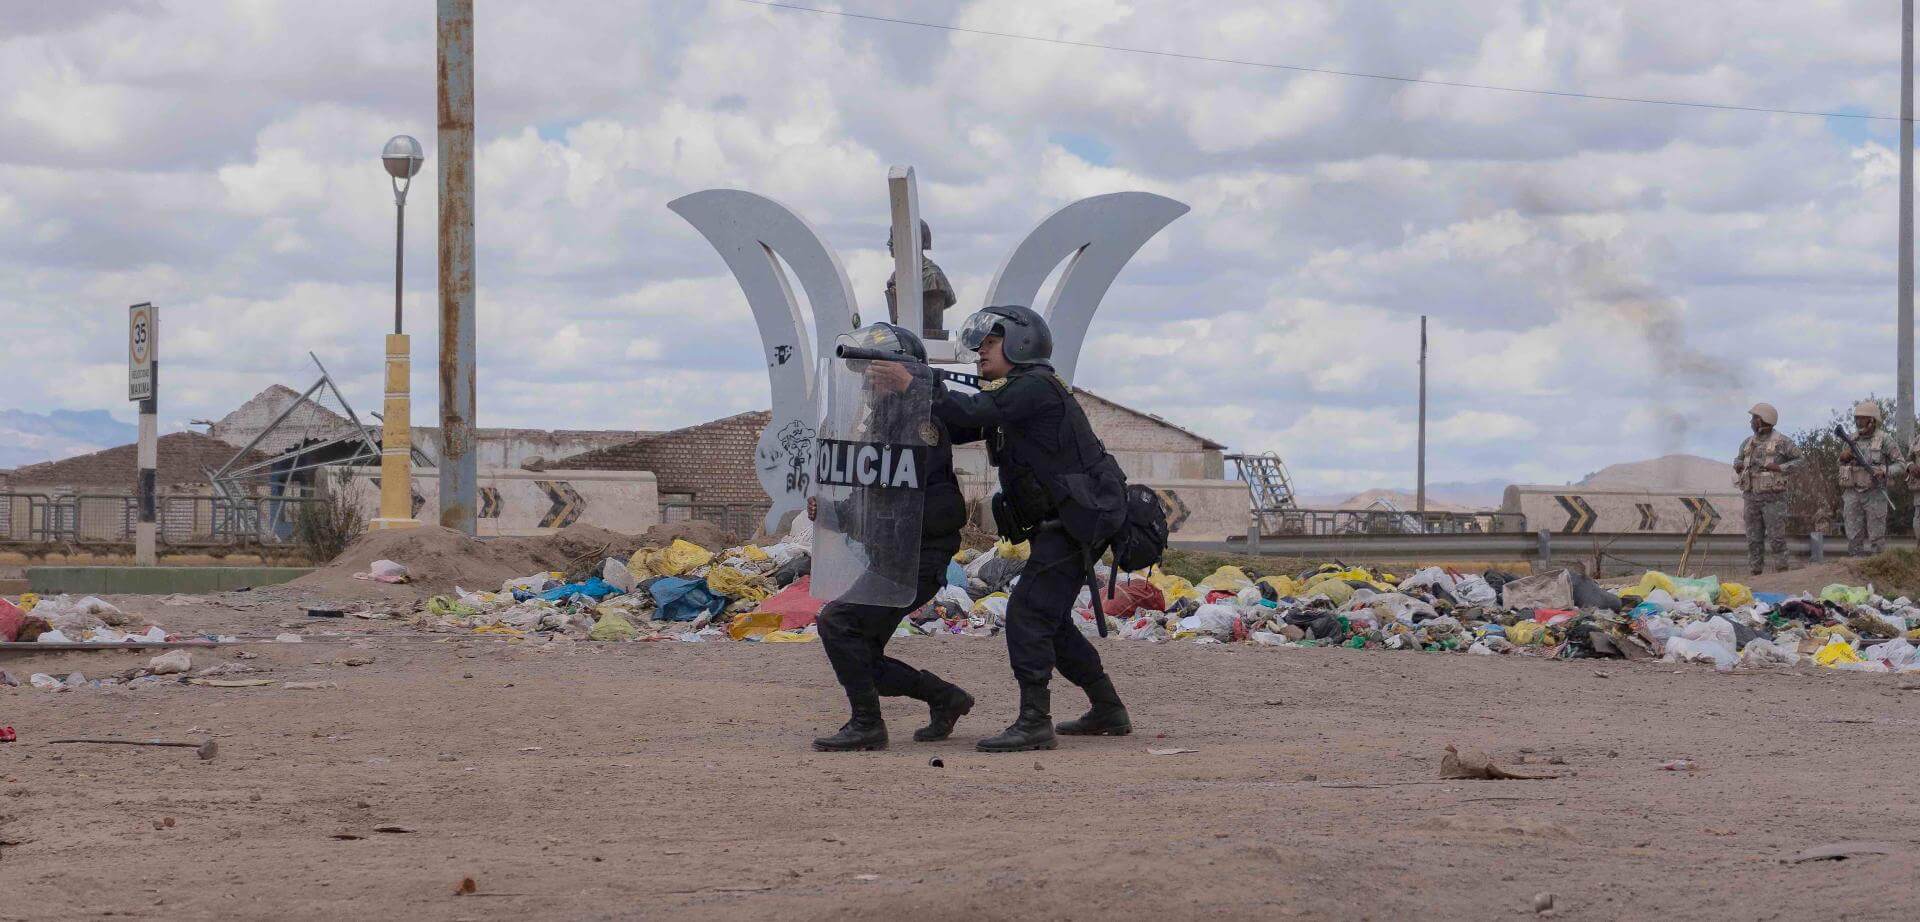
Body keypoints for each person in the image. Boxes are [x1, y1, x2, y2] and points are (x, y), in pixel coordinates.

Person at [876, 304, 1132, 753]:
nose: (979, 353)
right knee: (1051, 621)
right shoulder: (1010, 394)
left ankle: (1035, 721)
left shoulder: (1034, 387)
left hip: (1074, 523)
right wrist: (905, 398)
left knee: (1028, 614)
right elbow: (958, 421)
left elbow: (973, 411)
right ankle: (1108, 707)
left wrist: (914, 382)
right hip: (1063, 523)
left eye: (990, 344)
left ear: (1021, 343)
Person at [808, 323, 974, 752]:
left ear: (899, 370)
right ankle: (946, 698)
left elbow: (950, 409)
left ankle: (867, 725)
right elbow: (881, 499)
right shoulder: (883, 419)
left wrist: (913, 382)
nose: (865, 383)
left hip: (919, 556)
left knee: (837, 623)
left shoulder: (924, 414)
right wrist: (835, 513)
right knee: (863, 657)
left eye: (873, 372)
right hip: (890, 555)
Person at [1732, 402, 1802, 575]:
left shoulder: (1782, 442)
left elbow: (1800, 461)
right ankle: (1756, 573)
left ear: (1765, 419)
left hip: (1773, 500)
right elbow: (1737, 460)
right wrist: (1739, 465)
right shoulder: (1747, 443)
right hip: (1751, 497)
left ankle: (1782, 571)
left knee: (1777, 538)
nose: (1751, 422)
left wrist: (1780, 468)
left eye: (1755, 418)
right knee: (1753, 539)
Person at [1837, 400, 1905, 557]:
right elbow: (1839, 463)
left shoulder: (1885, 439)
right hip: (1852, 493)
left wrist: (1883, 471)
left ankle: (1878, 572)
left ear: (1872, 420)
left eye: (1862, 418)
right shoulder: (1851, 439)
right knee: (1853, 538)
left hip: (1875, 493)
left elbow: (1901, 464)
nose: (1858, 421)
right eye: (1857, 418)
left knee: (1877, 539)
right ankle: (1855, 573)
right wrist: (1843, 457)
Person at [884, 219, 958, 341]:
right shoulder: (896, 277)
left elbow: (931, 325)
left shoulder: (932, 276)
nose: (889, 243)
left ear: (912, 240)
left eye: (893, 237)